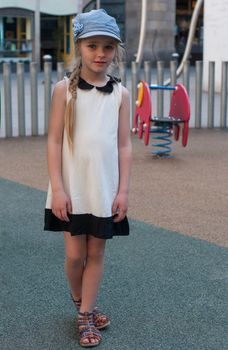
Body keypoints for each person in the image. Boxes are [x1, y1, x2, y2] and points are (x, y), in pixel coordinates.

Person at [44, 9, 132, 348]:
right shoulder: (63, 90)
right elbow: (53, 141)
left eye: (108, 47)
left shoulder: (121, 95)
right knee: (74, 256)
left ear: (115, 52)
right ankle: (81, 301)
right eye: (92, 45)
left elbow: (124, 146)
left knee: (96, 254)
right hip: (72, 190)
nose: (100, 54)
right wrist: (59, 189)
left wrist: (123, 191)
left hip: (103, 190)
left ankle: (85, 315)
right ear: (79, 47)